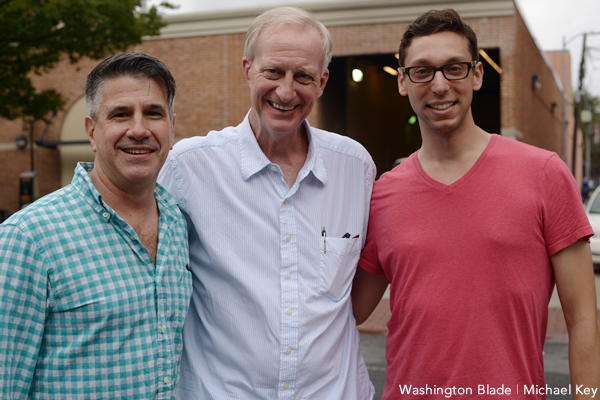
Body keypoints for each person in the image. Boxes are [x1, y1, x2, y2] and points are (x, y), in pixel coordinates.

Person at [352, 9, 600, 400]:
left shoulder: (544, 174)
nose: (439, 85)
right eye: (422, 71)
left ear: (478, 75)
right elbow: (349, 310)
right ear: (402, 81)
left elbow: (583, 318)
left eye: (454, 68)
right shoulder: (384, 193)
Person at [158, 6, 375, 400]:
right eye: (273, 71)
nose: (287, 91)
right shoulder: (187, 168)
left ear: (323, 81)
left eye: (303, 76)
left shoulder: (355, 167)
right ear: (247, 69)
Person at [0, 51, 192, 399]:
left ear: (172, 126)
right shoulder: (28, 238)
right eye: (120, 114)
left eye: (153, 113)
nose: (138, 129)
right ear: (92, 131)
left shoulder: (178, 224)